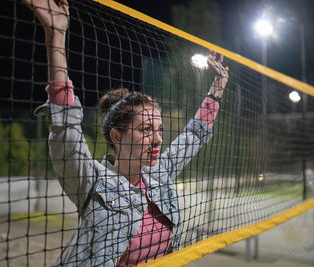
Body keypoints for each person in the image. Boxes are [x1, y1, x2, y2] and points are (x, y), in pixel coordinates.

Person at [23, 0, 229, 266]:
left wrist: (219, 87)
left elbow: (194, 135)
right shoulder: (93, 181)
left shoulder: (158, 174)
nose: (157, 139)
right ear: (117, 137)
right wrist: (57, 35)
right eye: (145, 130)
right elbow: (66, 126)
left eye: (159, 130)